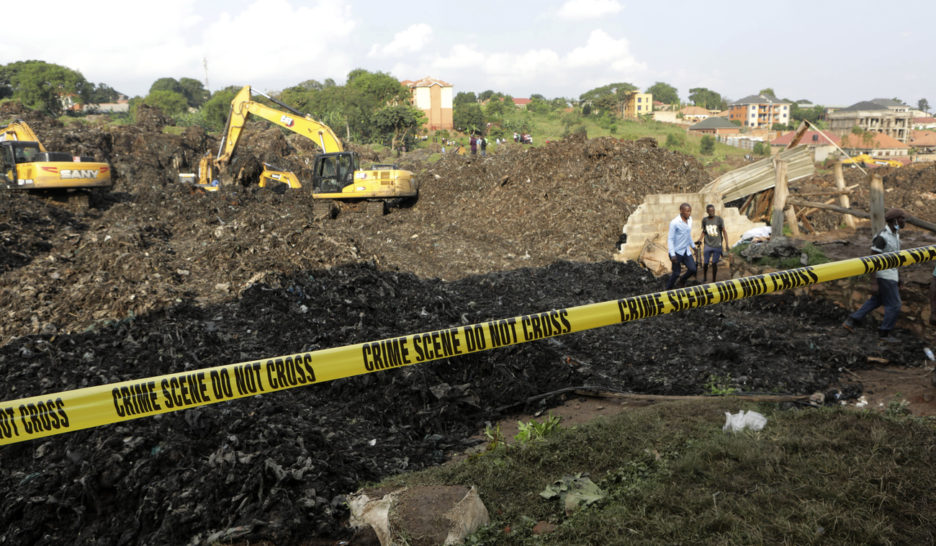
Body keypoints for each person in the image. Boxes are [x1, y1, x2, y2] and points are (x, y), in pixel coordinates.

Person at [843, 208, 907, 342]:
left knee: (877, 300)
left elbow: (895, 258)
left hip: (891, 275)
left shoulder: (895, 235)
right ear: (895, 220)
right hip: (884, 276)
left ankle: (851, 321)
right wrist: (873, 282)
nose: (904, 221)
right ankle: (884, 333)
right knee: (895, 305)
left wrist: (899, 277)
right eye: (902, 218)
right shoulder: (882, 237)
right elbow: (872, 260)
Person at [666, 203, 697, 290]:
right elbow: (670, 239)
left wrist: (693, 246)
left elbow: (688, 234)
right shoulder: (674, 223)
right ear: (681, 211)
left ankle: (682, 280)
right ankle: (668, 290)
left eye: (690, 211)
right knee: (676, 273)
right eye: (687, 211)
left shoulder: (690, 220)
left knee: (693, 269)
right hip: (677, 252)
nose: (689, 213)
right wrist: (672, 254)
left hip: (686, 251)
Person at [696, 204, 728, 283]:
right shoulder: (705, 220)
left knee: (714, 263)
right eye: (710, 211)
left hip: (717, 245)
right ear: (707, 211)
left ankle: (714, 280)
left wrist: (727, 244)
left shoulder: (719, 220)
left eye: (713, 210)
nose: (711, 212)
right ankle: (705, 277)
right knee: (706, 263)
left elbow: (724, 231)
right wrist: (700, 239)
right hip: (708, 244)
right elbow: (704, 231)